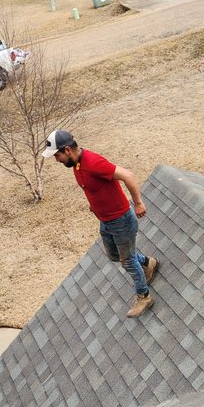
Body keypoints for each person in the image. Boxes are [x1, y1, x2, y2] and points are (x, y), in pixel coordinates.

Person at [43, 129, 159, 318]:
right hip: (106, 220)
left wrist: (138, 203)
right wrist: (95, 204)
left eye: (57, 155)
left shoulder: (93, 163)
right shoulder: (77, 164)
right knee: (114, 255)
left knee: (128, 261)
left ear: (67, 150)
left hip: (121, 220)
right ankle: (148, 263)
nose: (56, 160)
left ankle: (144, 296)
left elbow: (128, 175)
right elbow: (95, 187)